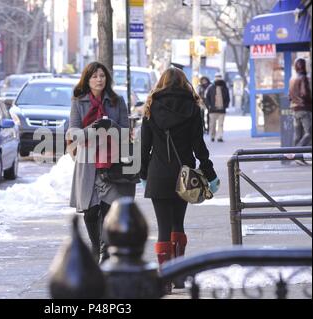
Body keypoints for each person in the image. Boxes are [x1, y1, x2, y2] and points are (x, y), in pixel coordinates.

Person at [140, 67, 219, 294]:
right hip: (184, 176)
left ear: (162, 83)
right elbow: (199, 147)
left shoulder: (151, 107)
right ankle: (179, 276)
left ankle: (165, 278)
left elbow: (144, 147)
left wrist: (143, 175)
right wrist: (210, 174)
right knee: (178, 224)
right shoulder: (193, 109)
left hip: (158, 175)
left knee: (163, 227)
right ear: (185, 83)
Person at [67, 61, 135, 264]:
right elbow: (74, 133)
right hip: (87, 164)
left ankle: (105, 256)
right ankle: (96, 248)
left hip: (111, 164)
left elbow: (125, 133)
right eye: (95, 76)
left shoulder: (117, 101)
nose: (99, 80)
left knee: (108, 212)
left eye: (102, 76)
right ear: (87, 80)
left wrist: (110, 125)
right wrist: (94, 128)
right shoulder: (78, 102)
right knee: (90, 213)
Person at [289, 58, 311, 165]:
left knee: (298, 134)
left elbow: (290, 96)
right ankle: (297, 152)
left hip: (295, 109)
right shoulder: (303, 78)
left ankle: (296, 156)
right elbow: (305, 94)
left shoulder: (292, 79)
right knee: (309, 132)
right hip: (304, 109)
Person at [205, 73, 230, 142]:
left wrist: (225, 106)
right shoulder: (210, 87)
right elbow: (207, 98)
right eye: (217, 77)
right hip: (212, 110)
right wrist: (209, 106)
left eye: (219, 77)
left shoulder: (225, 88)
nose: (218, 78)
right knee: (212, 125)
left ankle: (220, 137)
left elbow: (227, 98)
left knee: (221, 124)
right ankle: (212, 136)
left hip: (222, 110)